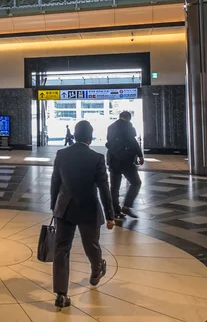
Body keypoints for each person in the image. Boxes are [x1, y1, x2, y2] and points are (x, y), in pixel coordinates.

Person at [51, 120, 115, 309]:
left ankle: (61, 295)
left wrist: (55, 207)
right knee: (91, 245)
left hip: (65, 208)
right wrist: (110, 215)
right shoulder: (96, 158)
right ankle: (97, 268)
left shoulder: (62, 154)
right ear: (90, 137)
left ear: (74, 135)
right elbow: (104, 189)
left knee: (61, 250)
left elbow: (55, 182)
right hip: (89, 209)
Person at [106, 111, 144, 219]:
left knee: (114, 187)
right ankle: (126, 206)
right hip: (126, 161)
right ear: (129, 118)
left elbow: (110, 141)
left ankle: (115, 210)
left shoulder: (111, 127)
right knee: (136, 183)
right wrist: (140, 155)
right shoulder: (128, 125)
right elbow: (132, 141)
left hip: (113, 160)